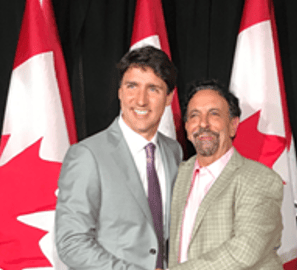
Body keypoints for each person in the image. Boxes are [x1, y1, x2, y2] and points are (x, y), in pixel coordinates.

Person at [55, 46, 183, 270]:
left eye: (153, 89)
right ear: (120, 92)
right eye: (132, 86)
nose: (140, 100)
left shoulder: (174, 151)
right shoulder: (87, 155)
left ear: (169, 97)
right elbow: (71, 243)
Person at [168, 79, 284, 269]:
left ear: (233, 125)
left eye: (214, 114)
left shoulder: (261, 179)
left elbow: (245, 251)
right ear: (187, 127)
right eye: (195, 115)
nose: (203, 124)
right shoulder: (178, 174)